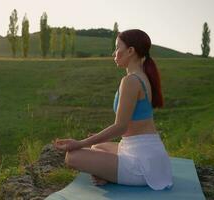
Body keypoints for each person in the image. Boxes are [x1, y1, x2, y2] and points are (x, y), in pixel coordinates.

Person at [53, 29, 173, 190]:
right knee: (97, 147)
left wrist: (79, 143)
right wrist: (96, 138)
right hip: (150, 155)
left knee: (73, 156)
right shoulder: (142, 76)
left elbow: (120, 127)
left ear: (130, 51)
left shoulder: (131, 81)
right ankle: (105, 174)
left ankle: (107, 175)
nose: (114, 53)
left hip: (141, 164)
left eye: (117, 48)